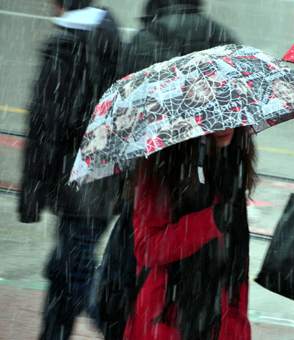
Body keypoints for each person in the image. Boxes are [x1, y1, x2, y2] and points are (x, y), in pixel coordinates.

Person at [17, 0, 121, 339]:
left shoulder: (66, 44)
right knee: (64, 271)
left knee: (76, 273)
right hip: (103, 180)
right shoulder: (110, 33)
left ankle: (120, 330)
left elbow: (44, 122)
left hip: (78, 185)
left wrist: (31, 193)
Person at [123, 127, 256, 340]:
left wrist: (237, 327)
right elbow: (147, 248)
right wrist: (210, 221)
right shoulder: (161, 167)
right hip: (166, 315)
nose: (225, 126)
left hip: (218, 318)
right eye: (213, 117)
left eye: (228, 113)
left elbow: (237, 266)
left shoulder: (232, 164)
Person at [119, 0, 238, 77]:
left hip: (163, 110)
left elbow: (132, 78)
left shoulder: (148, 36)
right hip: (209, 109)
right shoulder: (219, 32)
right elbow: (236, 70)